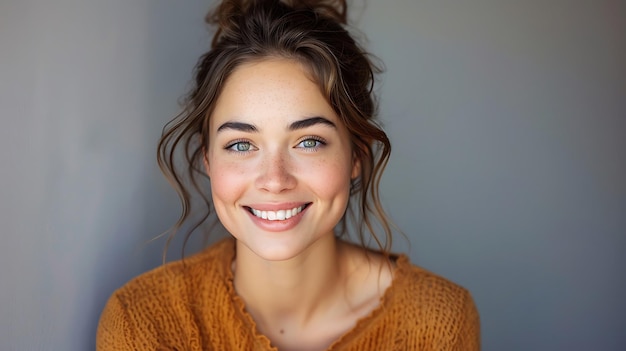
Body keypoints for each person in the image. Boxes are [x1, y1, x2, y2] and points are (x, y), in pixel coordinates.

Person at [96, 0, 480, 350]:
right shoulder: (141, 323)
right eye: (242, 145)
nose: (275, 179)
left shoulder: (439, 322)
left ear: (357, 155)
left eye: (309, 141)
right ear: (207, 160)